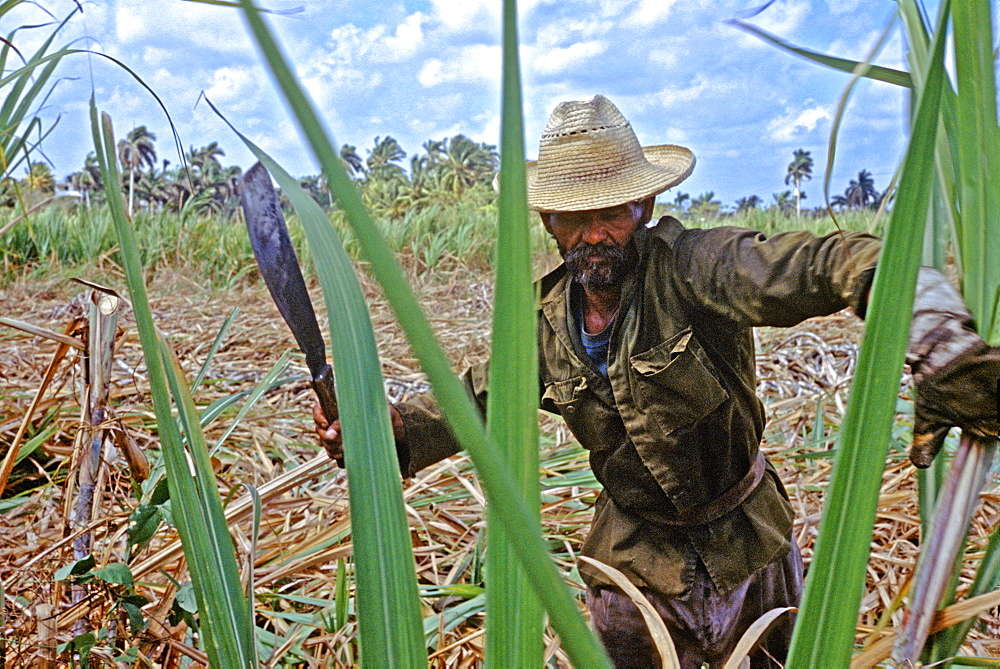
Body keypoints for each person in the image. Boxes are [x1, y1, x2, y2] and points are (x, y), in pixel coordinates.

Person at [315, 95, 999, 667]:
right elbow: (468, 403)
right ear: (548, 220)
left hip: (748, 548)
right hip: (637, 570)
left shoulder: (695, 269)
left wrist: (938, 340)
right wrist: (383, 431)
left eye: (610, 212)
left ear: (641, 204)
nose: (593, 236)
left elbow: (828, 265)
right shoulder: (544, 324)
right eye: (572, 218)